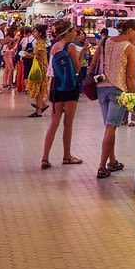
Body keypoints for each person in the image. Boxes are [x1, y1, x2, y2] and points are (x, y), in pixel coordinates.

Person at [92, 19, 135, 179]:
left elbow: (94, 62)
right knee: (111, 128)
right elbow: (130, 75)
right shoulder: (130, 47)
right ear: (130, 31)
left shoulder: (105, 41)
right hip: (118, 91)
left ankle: (112, 161)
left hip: (101, 88)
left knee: (109, 127)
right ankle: (101, 166)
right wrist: (132, 96)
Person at [41, 20, 85, 170]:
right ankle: (67, 156)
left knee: (54, 123)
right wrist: (83, 53)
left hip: (55, 87)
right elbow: (77, 69)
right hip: (71, 88)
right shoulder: (70, 46)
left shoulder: (54, 47)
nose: (75, 34)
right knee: (68, 124)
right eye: (73, 32)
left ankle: (45, 158)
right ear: (67, 32)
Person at [26, 24, 49, 117]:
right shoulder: (39, 42)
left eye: (35, 31)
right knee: (37, 89)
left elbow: (40, 57)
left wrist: (29, 55)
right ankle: (42, 105)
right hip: (39, 67)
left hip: (39, 69)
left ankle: (38, 111)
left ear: (40, 33)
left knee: (37, 90)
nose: (33, 33)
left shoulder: (40, 43)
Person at [17, 27, 33, 93]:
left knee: (20, 73)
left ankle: (19, 88)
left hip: (21, 57)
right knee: (24, 74)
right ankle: (24, 87)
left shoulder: (22, 40)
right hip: (26, 58)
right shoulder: (28, 40)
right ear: (29, 33)